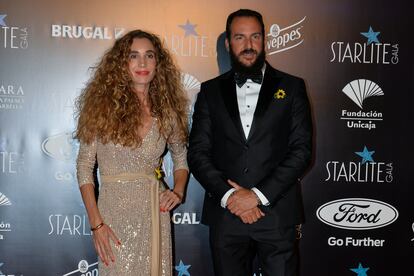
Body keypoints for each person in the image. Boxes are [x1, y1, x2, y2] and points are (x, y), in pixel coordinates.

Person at [188, 9, 313, 276]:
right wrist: (231, 196)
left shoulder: (292, 87)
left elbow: (301, 150)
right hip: (227, 216)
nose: (248, 45)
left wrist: (256, 196)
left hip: (277, 214)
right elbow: (197, 153)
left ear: (264, 39)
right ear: (228, 43)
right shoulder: (210, 91)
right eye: (240, 37)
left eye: (255, 36)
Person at [75, 29, 189, 276]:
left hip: (154, 212)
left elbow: (181, 156)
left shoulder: (167, 111)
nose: (142, 63)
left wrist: (178, 190)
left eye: (149, 56)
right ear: (121, 63)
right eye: (133, 56)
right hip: (113, 216)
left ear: (158, 63)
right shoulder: (101, 108)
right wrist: (97, 224)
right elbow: (85, 166)